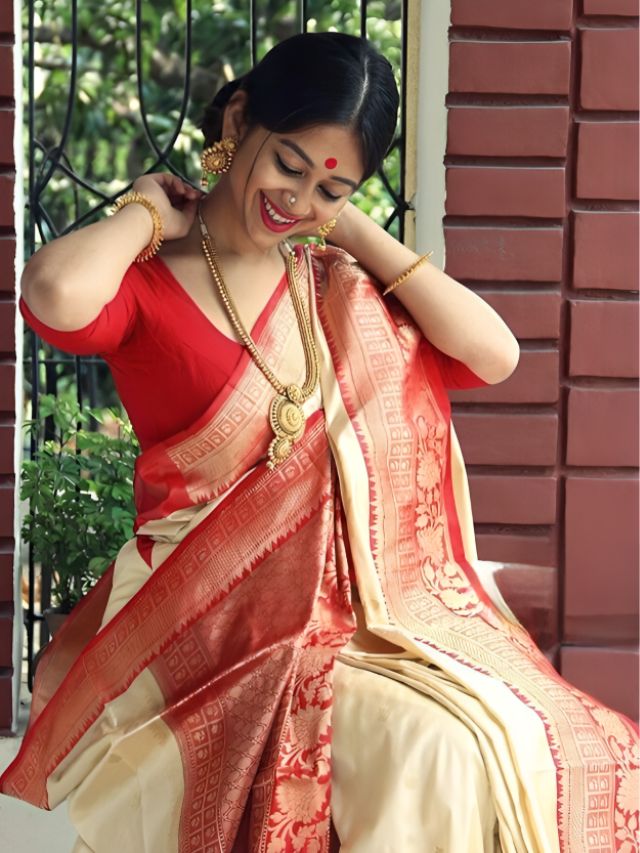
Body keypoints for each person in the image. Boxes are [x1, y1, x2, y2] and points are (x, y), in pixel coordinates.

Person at [1, 31, 637, 853]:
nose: (296, 201)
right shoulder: (149, 281)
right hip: (200, 611)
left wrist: (356, 234)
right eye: (290, 165)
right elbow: (53, 293)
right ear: (239, 117)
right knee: (433, 748)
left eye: (332, 187)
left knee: (544, 731)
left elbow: (495, 353)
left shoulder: (334, 289)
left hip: (358, 618)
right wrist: (144, 213)